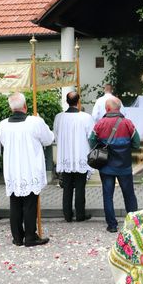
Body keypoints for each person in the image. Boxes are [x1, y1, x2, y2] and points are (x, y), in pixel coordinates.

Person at [0, 92, 54, 247]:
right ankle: (30, 237)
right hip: (30, 167)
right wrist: (42, 121)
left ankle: (17, 237)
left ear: (11, 108)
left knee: (15, 204)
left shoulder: (3, 124)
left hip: (13, 168)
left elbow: (3, 142)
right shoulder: (35, 122)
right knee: (30, 204)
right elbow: (49, 139)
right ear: (25, 106)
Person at [89, 97, 140, 233]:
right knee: (129, 194)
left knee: (107, 195)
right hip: (124, 166)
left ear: (107, 109)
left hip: (106, 166)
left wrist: (102, 146)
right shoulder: (128, 123)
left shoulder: (100, 124)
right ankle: (132, 223)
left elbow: (91, 141)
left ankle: (112, 225)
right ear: (119, 108)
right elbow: (136, 143)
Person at [53, 91, 95, 222]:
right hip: (80, 155)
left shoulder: (59, 117)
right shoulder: (86, 117)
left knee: (67, 187)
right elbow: (91, 137)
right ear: (78, 101)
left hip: (65, 155)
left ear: (67, 101)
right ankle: (80, 214)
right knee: (80, 186)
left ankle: (67, 214)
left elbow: (56, 135)